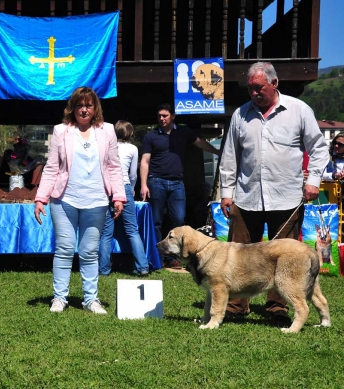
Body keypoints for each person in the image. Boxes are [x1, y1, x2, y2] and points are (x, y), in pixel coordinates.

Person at [219, 61, 329, 324]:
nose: (254, 93)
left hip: (287, 198)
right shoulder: (240, 115)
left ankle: (277, 306)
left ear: (274, 83)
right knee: (240, 254)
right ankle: (236, 305)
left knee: (284, 260)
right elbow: (230, 155)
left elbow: (319, 148)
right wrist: (226, 192)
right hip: (246, 198)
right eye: (250, 89)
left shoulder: (299, 110)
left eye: (259, 88)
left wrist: (313, 180)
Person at [34, 86, 126, 314]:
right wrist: (40, 198)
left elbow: (114, 167)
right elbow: (52, 167)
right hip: (63, 200)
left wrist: (118, 196)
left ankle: (90, 299)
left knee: (89, 252)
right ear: (72, 108)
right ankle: (59, 298)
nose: (84, 110)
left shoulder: (107, 131)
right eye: (79, 105)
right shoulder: (60, 131)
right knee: (64, 248)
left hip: (96, 200)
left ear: (95, 108)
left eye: (88, 105)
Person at [140, 103, 220, 269]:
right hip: (156, 181)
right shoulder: (151, 136)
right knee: (156, 221)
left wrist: (218, 152)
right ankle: (157, 258)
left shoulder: (183, 132)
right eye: (159, 116)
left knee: (178, 219)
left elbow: (200, 142)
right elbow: (145, 162)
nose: (162, 119)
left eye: (165, 116)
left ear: (173, 116)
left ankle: (174, 256)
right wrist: (143, 184)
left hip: (177, 183)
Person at [99, 120, 149, 277]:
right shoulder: (133, 149)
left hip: (107, 188)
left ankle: (104, 269)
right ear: (130, 133)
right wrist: (132, 188)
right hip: (125, 186)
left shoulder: (106, 146)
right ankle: (142, 266)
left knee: (106, 233)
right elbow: (133, 173)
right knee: (132, 230)